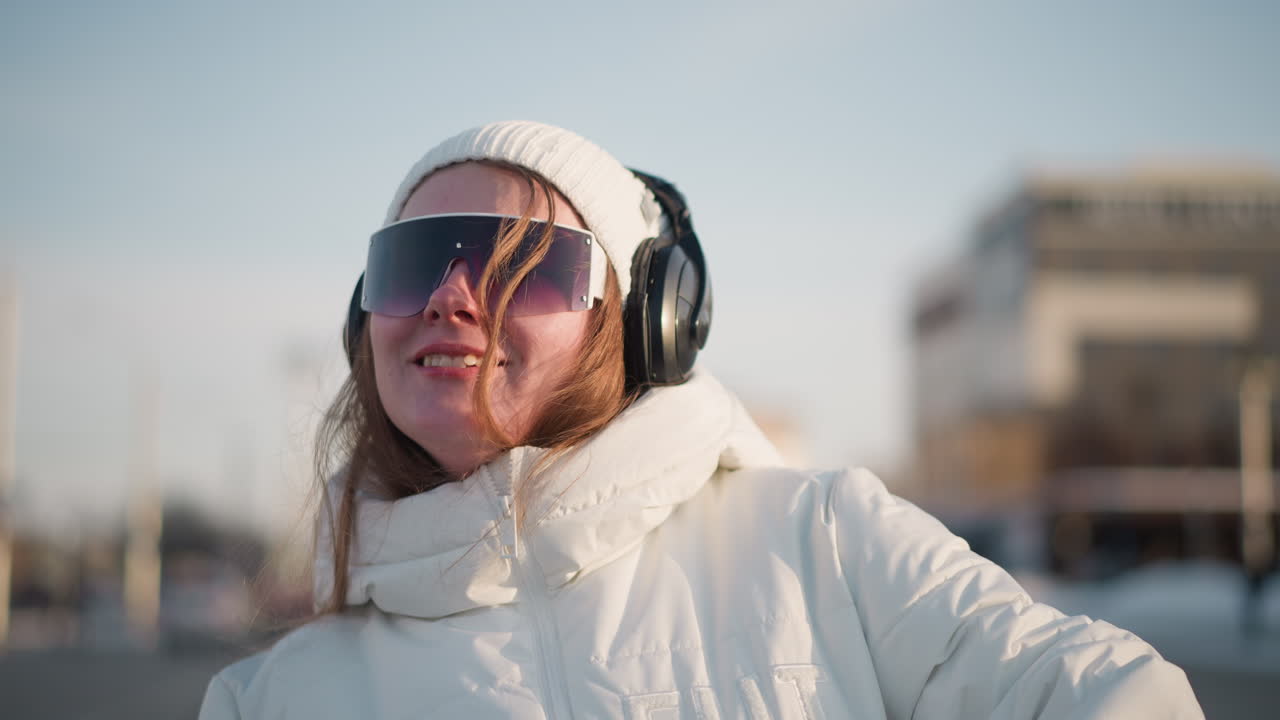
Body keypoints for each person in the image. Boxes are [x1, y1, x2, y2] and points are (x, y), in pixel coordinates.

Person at [199, 121, 1203, 719]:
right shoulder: (272, 700)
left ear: (644, 321)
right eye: (415, 263)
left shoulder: (822, 543)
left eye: (518, 262)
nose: (453, 298)